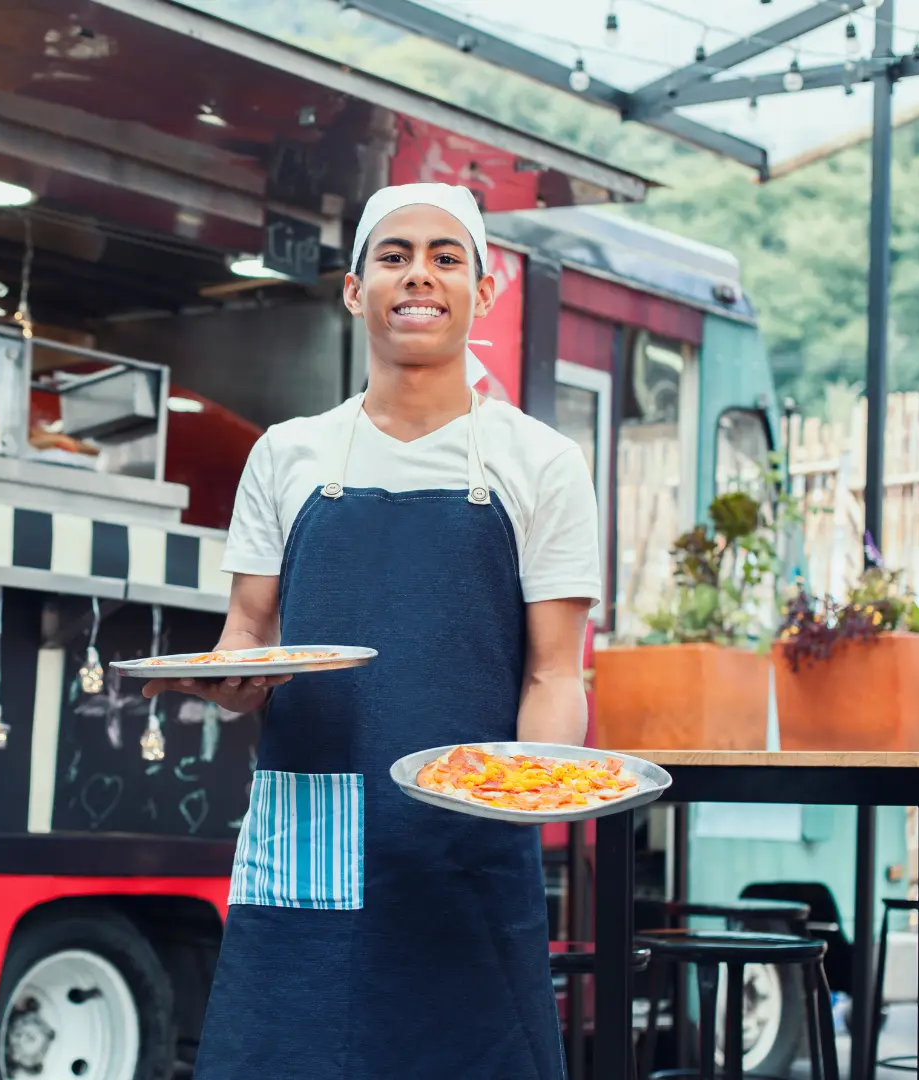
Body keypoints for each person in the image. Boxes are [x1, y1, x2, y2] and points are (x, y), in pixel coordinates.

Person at [144, 183, 600, 1077]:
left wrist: (521, 804)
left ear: (484, 291)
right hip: (310, 831)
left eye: (444, 256)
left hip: (468, 839)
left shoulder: (540, 462)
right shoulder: (287, 453)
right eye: (393, 256)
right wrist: (229, 685)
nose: (417, 276)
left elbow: (554, 677)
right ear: (356, 290)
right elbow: (247, 631)